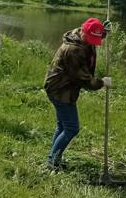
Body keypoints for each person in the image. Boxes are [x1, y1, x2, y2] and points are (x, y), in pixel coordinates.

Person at [43, 17, 112, 171]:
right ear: (83, 31)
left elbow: (95, 34)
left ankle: (54, 158)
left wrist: (104, 31)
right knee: (71, 128)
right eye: (92, 38)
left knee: (62, 126)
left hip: (64, 87)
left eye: (97, 38)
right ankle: (51, 162)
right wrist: (102, 82)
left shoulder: (82, 36)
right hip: (60, 89)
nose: (93, 42)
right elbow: (84, 79)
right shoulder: (73, 50)